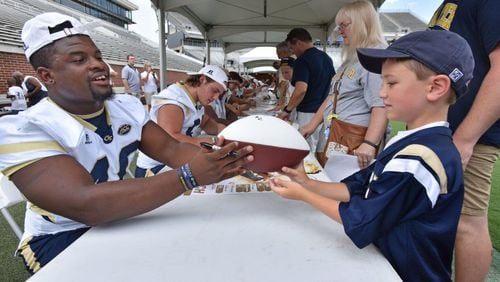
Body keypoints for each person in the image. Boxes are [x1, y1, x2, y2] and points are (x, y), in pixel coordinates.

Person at [0, 12, 253, 273]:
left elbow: (172, 149)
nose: (98, 65)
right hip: (63, 235)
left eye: (98, 56)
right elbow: (85, 204)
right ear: (47, 75)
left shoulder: (125, 106)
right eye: (79, 59)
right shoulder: (21, 128)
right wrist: (187, 177)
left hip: (118, 217)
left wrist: (235, 161)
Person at [270, 29, 474, 281]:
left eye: (391, 83)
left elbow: (361, 219)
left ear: (435, 87)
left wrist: (303, 195)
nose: (381, 93)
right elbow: (358, 187)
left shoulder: (420, 158)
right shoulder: (414, 143)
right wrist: (306, 182)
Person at [429, 1, 500, 281]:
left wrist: (465, 138)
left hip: (466, 136)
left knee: (466, 223)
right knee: (439, 218)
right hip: (442, 132)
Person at [299, 0, 388, 168]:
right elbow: (333, 96)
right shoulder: (353, 58)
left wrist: (369, 143)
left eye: (343, 26)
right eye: (338, 27)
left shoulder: (374, 56)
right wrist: (311, 126)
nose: (340, 32)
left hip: (357, 140)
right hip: (339, 135)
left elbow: (381, 105)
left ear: (361, 23)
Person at [135, 65, 229, 177]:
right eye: (215, 91)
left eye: (219, 94)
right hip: (155, 168)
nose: (216, 97)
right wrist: (211, 142)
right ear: (202, 79)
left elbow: (207, 123)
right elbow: (170, 138)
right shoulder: (174, 100)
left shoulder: (193, 98)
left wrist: (228, 133)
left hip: (175, 161)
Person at [278, 27, 335, 153]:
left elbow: (301, 89)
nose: (293, 52)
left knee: (306, 152)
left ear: (298, 42)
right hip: (324, 112)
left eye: (292, 48)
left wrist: (287, 109)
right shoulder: (326, 58)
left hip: (308, 112)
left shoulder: (302, 60)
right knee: (321, 150)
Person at [273, 57, 296, 122]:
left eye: (287, 72)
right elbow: (287, 101)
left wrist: (284, 109)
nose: (284, 75)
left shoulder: (298, 85)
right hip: (290, 116)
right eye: (282, 73)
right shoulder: (288, 83)